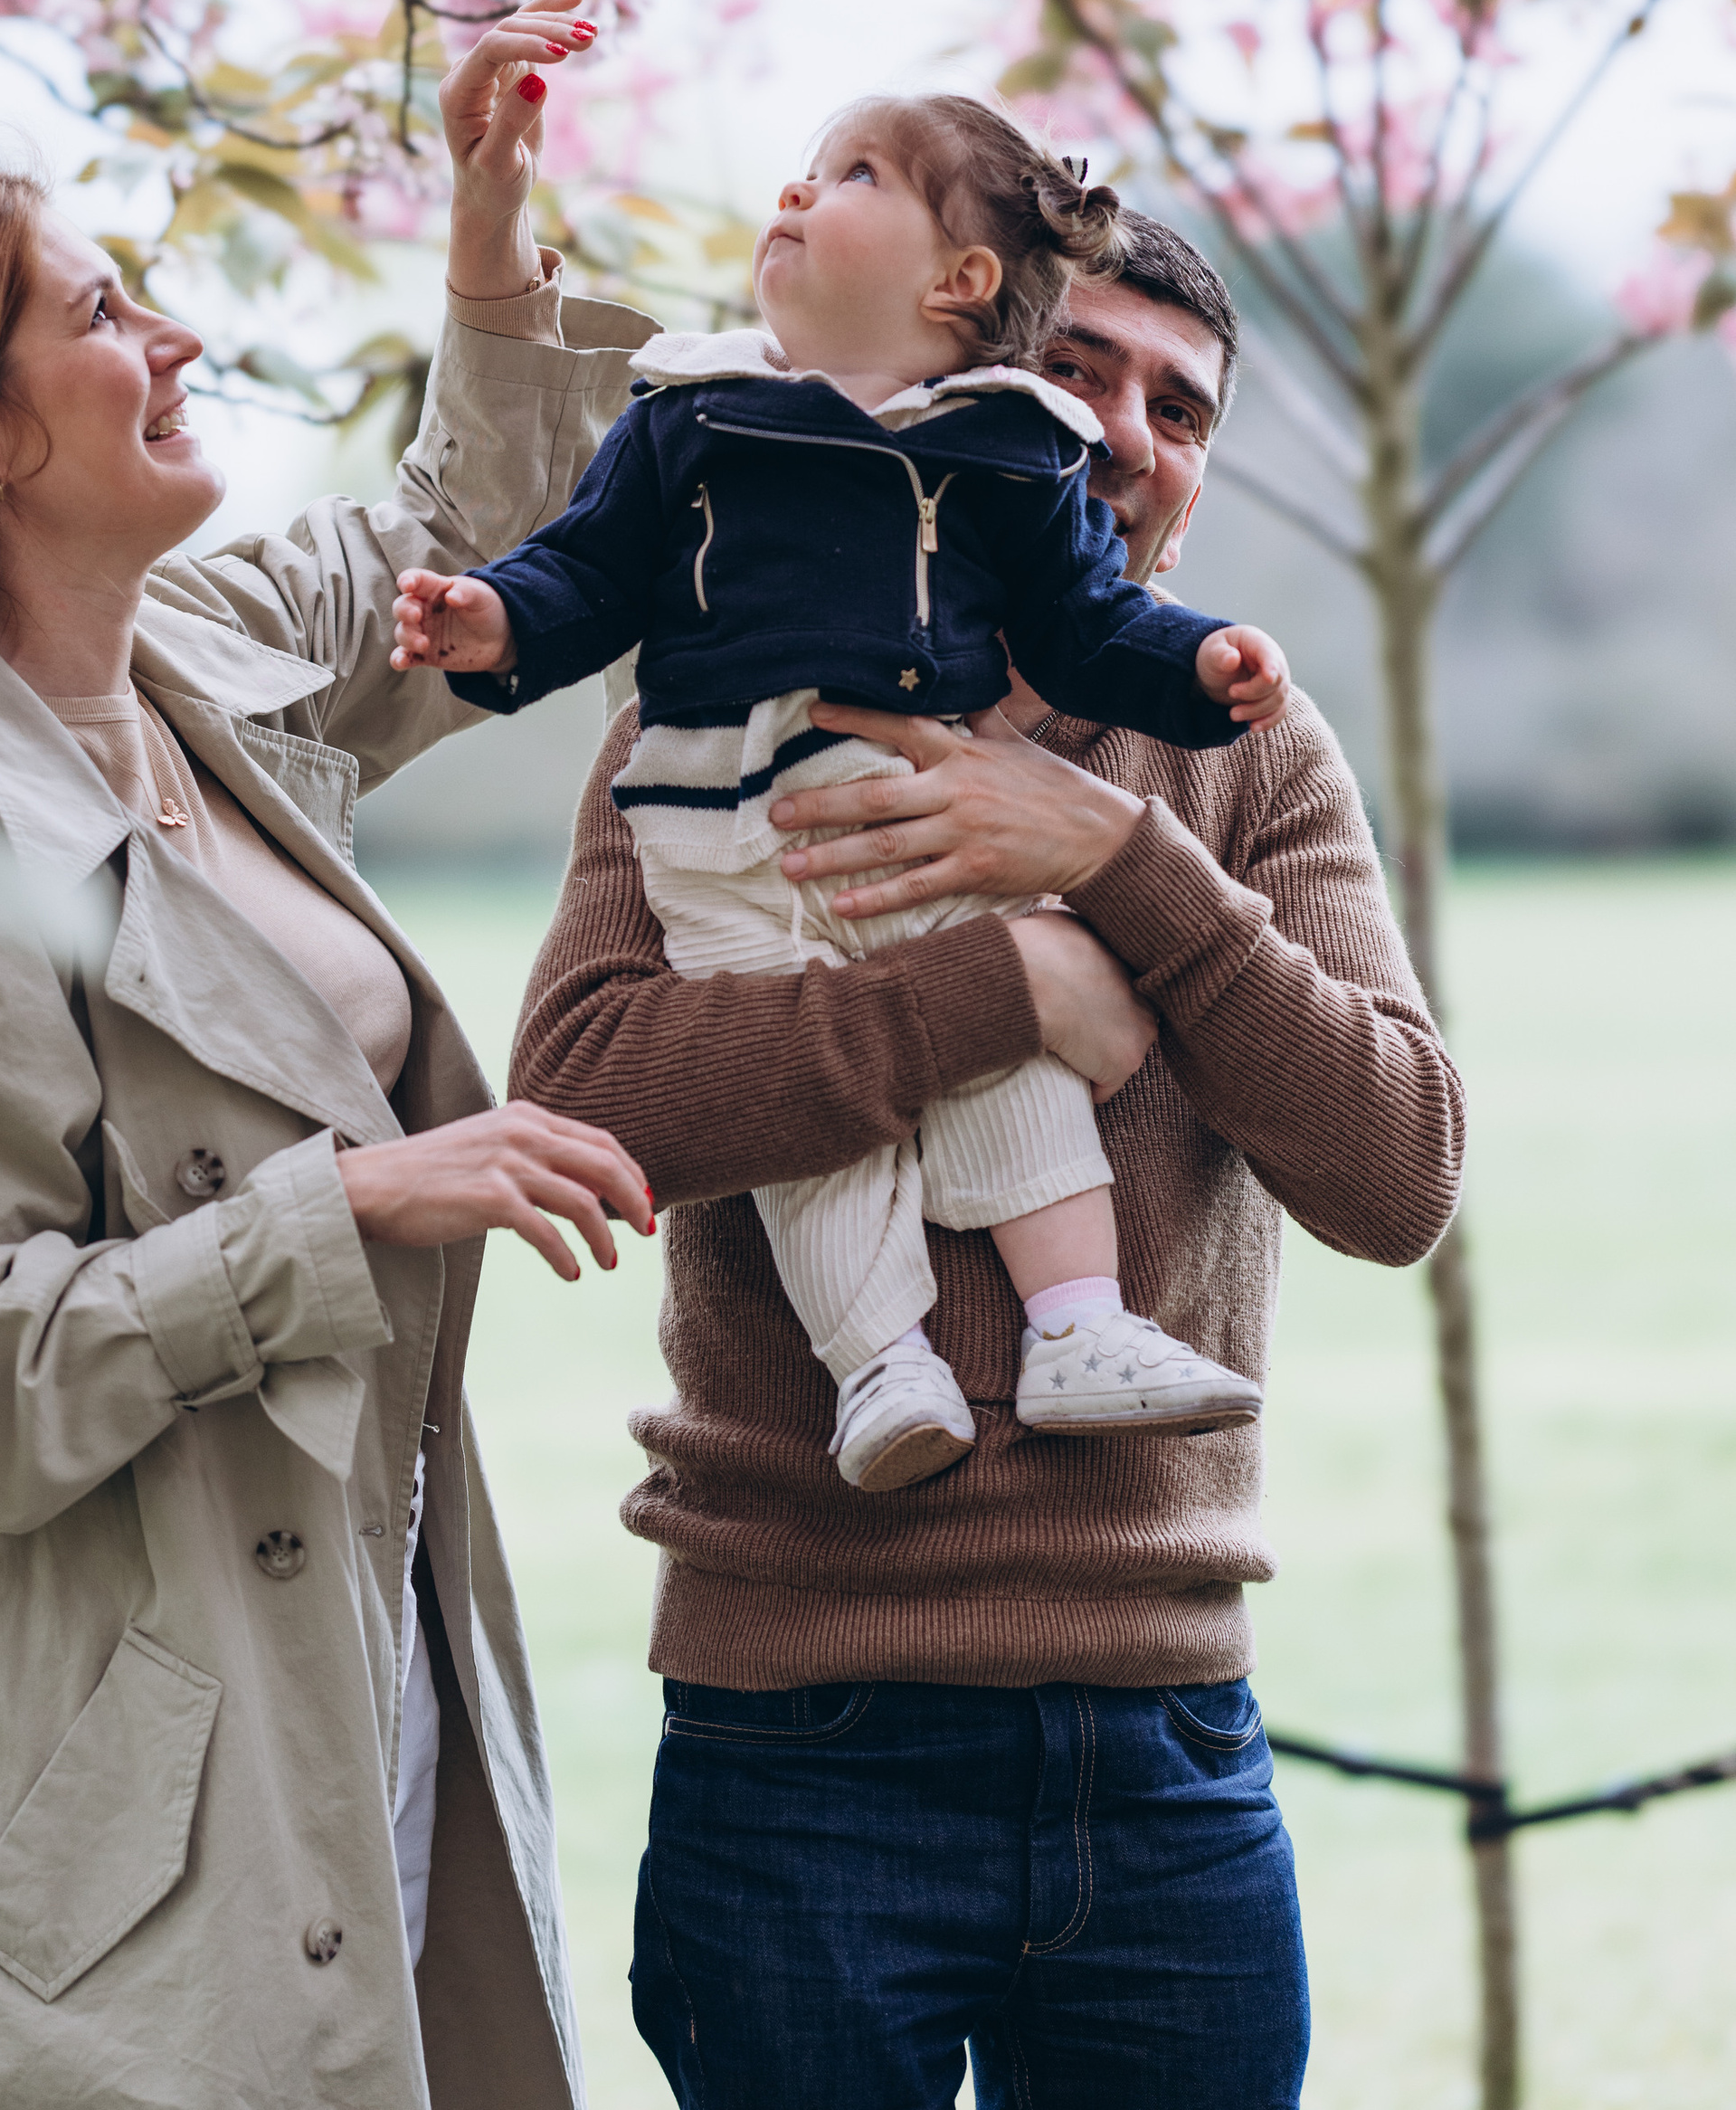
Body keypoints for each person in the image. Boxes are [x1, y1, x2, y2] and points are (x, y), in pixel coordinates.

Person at [0, 0, 658, 2110]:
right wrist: (356, 1197)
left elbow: (456, 556)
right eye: (103, 311)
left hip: (347, 1661)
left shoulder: (185, 666)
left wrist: (486, 231)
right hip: (126, 1801)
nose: (177, 337)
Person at [508, 204, 1465, 2110]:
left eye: (1179, 408)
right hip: (799, 1729)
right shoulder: (705, 708)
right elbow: (587, 1093)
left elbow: (1396, 1170)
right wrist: (994, 982)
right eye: (1079, 370)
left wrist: (1114, 859)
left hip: (1164, 1738)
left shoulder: (1250, 755)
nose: (1124, 433)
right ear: (948, 392)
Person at [393, 97, 1287, 1491]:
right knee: (834, 1095)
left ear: (958, 286)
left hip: (1149, 1638)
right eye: (1082, 371)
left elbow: (1086, 623)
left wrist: (1185, 707)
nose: (798, 195)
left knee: (1017, 1071)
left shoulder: (1015, 455)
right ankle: (876, 1360)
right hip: (711, 814)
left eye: (1176, 410)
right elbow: (588, 566)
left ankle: (1078, 1321)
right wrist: (496, 621)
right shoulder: (690, 419)